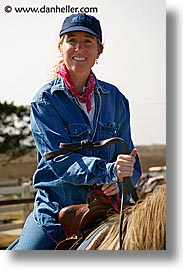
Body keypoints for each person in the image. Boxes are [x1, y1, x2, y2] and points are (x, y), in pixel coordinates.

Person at [13, 13, 141, 250]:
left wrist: (122, 180)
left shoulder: (116, 99)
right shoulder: (45, 101)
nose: (79, 47)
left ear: (99, 51)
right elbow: (59, 160)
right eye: (72, 40)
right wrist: (109, 171)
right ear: (60, 47)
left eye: (88, 41)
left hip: (109, 209)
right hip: (57, 211)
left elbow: (130, 157)